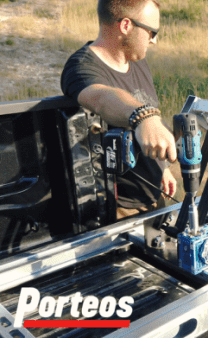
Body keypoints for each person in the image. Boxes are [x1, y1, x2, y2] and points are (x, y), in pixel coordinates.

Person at [61, 0, 178, 219]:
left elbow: (148, 118)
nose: (154, 41)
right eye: (152, 32)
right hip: (120, 207)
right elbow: (102, 98)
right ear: (126, 26)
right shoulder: (81, 68)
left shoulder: (137, 60)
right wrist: (144, 117)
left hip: (154, 195)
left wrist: (163, 169)